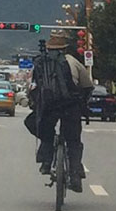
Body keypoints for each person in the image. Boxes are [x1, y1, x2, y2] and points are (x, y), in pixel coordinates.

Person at [27, 30, 93, 193]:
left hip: (48, 108)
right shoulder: (72, 61)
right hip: (71, 107)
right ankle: (75, 174)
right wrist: (82, 103)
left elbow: (33, 88)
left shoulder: (40, 63)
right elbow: (87, 86)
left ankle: (47, 159)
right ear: (64, 48)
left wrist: (36, 104)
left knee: (38, 127)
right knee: (73, 141)